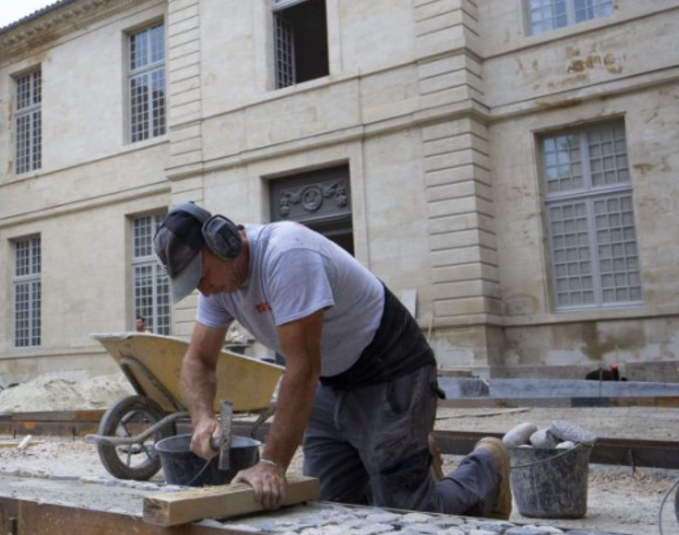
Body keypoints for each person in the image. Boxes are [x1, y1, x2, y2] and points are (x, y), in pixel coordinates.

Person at [153, 202, 510, 518]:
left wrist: (271, 463)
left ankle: (486, 468)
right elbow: (198, 359)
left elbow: (303, 367)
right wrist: (201, 418)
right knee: (330, 507)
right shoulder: (218, 286)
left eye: (201, 277)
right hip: (334, 378)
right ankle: (409, 458)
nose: (202, 290)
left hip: (390, 368)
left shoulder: (286, 255)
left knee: (407, 514)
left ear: (223, 242)